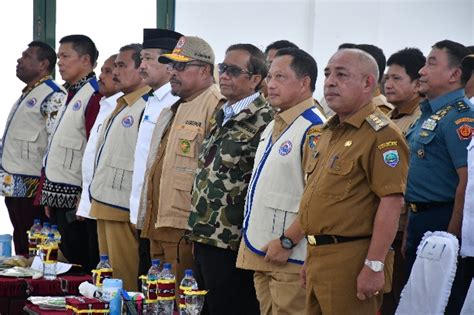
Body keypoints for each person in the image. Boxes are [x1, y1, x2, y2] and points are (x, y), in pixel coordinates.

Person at [299, 48, 409, 314]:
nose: (330, 81)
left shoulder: (382, 135)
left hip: (352, 259)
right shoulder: (328, 131)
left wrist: (374, 265)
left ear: (368, 83)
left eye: (341, 74)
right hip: (317, 256)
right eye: (327, 74)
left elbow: (392, 202)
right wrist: (311, 255)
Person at [236, 48, 325, 315]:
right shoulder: (276, 122)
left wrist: (287, 241)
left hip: (289, 254)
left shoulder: (315, 128)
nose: (270, 84)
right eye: (270, 76)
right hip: (263, 249)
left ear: (304, 82)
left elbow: (318, 197)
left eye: (280, 77)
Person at [187, 43, 274, 315]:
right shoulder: (223, 111)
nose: (224, 75)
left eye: (234, 71)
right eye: (222, 69)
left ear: (256, 79)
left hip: (232, 239)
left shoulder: (266, 119)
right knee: (204, 307)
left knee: (231, 306)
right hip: (204, 231)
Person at [139, 35, 225, 296]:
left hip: (184, 224)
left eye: (181, 66)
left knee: (179, 300)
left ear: (205, 70)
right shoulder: (176, 105)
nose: (172, 72)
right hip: (159, 219)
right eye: (171, 66)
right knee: (158, 296)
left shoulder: (215, 105)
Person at [403, 40, 474, 313]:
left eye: (431, 63)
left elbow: (466, 181)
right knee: (415, 300)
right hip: (419, 217)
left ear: (454, 75)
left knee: (438, 301)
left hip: (443, 218)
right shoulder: (428, 114)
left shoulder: (460, 119)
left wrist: (451, 238)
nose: (421, 71)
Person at [89, 43, 150, 291]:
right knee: (107, 276)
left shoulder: (147, 104)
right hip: (103, 199)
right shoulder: (121, 103)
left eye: (122, 65)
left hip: (122, 203)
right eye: (114, 66)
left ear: (140, 68)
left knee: (124, 278)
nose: (115, 72)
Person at [39, 34, 101, 272]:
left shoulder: (94, 94)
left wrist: (84, 197)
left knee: (79, 264)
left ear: (85, 60)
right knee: (64, 260)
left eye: (65, 56)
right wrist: (47, 191)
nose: (60, 62)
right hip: (57, 193)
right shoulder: (69, 92)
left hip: (75, 198)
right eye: (58, 57)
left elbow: (93, 150)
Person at [0, 41, 66, 255]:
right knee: (21, 239)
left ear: (43, 64)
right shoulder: (29, 93)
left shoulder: (53, 94)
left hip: (33, 185)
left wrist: (46, 186)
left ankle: (34, 286)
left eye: (27, 56)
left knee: (35, 243)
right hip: (14, 183)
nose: (20, 60)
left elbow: (55, 142)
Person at [130, 28, 181, 283]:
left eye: (148, 58)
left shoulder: (175, 101)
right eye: (141, 59)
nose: (141, 66)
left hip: (165, 214)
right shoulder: (151, 100)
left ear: (170, 64)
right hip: (145, 211)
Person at [381, 47, 425, 313]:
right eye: (387, 77)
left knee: (395, 296)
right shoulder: (388, 117)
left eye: (397, 78)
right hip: (383, 222)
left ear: (417, 83)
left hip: (401, 225)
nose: (388, 83)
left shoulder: (420, 119)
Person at [76, 54, 122, 271]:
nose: (100, 77)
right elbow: (92, 159)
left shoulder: (124, 107)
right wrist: (85, 202)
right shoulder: (106, 104)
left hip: (114, 203)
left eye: (107, 71)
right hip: (96, 202)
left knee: (114, 270)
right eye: (102, 70)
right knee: (95, 269)